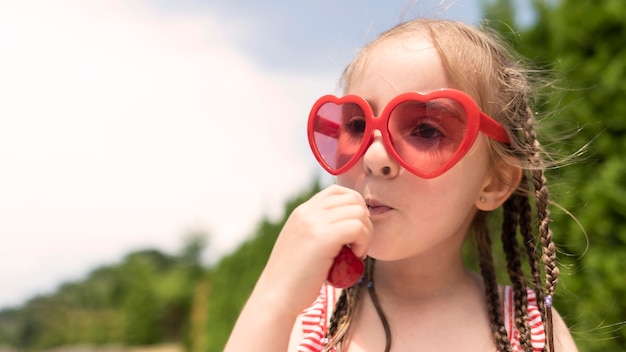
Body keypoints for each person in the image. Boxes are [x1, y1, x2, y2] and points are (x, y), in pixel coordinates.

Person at [225, 18, 578, 352]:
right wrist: (274, 297)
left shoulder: (532, 331)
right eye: (358, 125)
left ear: (495, 182)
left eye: (426, 129)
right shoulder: (308, 317)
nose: (374, 155)